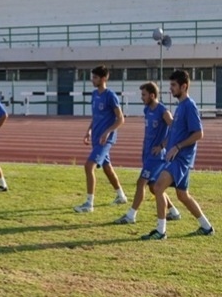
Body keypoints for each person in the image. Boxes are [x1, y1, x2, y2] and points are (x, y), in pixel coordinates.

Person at [142, 70, 214, 239]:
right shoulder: (180, 106)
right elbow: (175, 131)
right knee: (182, 195)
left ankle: (160, 231)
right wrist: (164, 146)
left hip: (181, 158)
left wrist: (178, 147)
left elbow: (199, 133)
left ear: (184, 86)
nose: (170, 89)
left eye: (174, 85)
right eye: (170, 85)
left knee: (158, 187)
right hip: (176, 158)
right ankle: (207, 227)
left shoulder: (189, 106)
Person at [115, 82, 181, 224]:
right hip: (147, 154)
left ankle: (131, 215)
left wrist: (162, 145)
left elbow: (174, 129)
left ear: (152, 95)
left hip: (156, 157)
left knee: (141, 183)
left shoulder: (163, 111)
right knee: (153, 187)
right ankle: (174, 212)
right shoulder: (147, 110)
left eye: (144, 95)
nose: (142, 98)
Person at [74, 65, 128, 213]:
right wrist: (89, 131)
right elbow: (95, 116)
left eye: (95, 77)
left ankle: (89, 204)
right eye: (93, 77)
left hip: (105, 139)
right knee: (107, 167)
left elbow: (120, 119)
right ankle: (121, 196)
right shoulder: (94, 94)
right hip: (96, 138)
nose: (93, 80)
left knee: (88, 166)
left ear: (104, 78)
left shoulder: (110, 95)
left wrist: (107, 133)